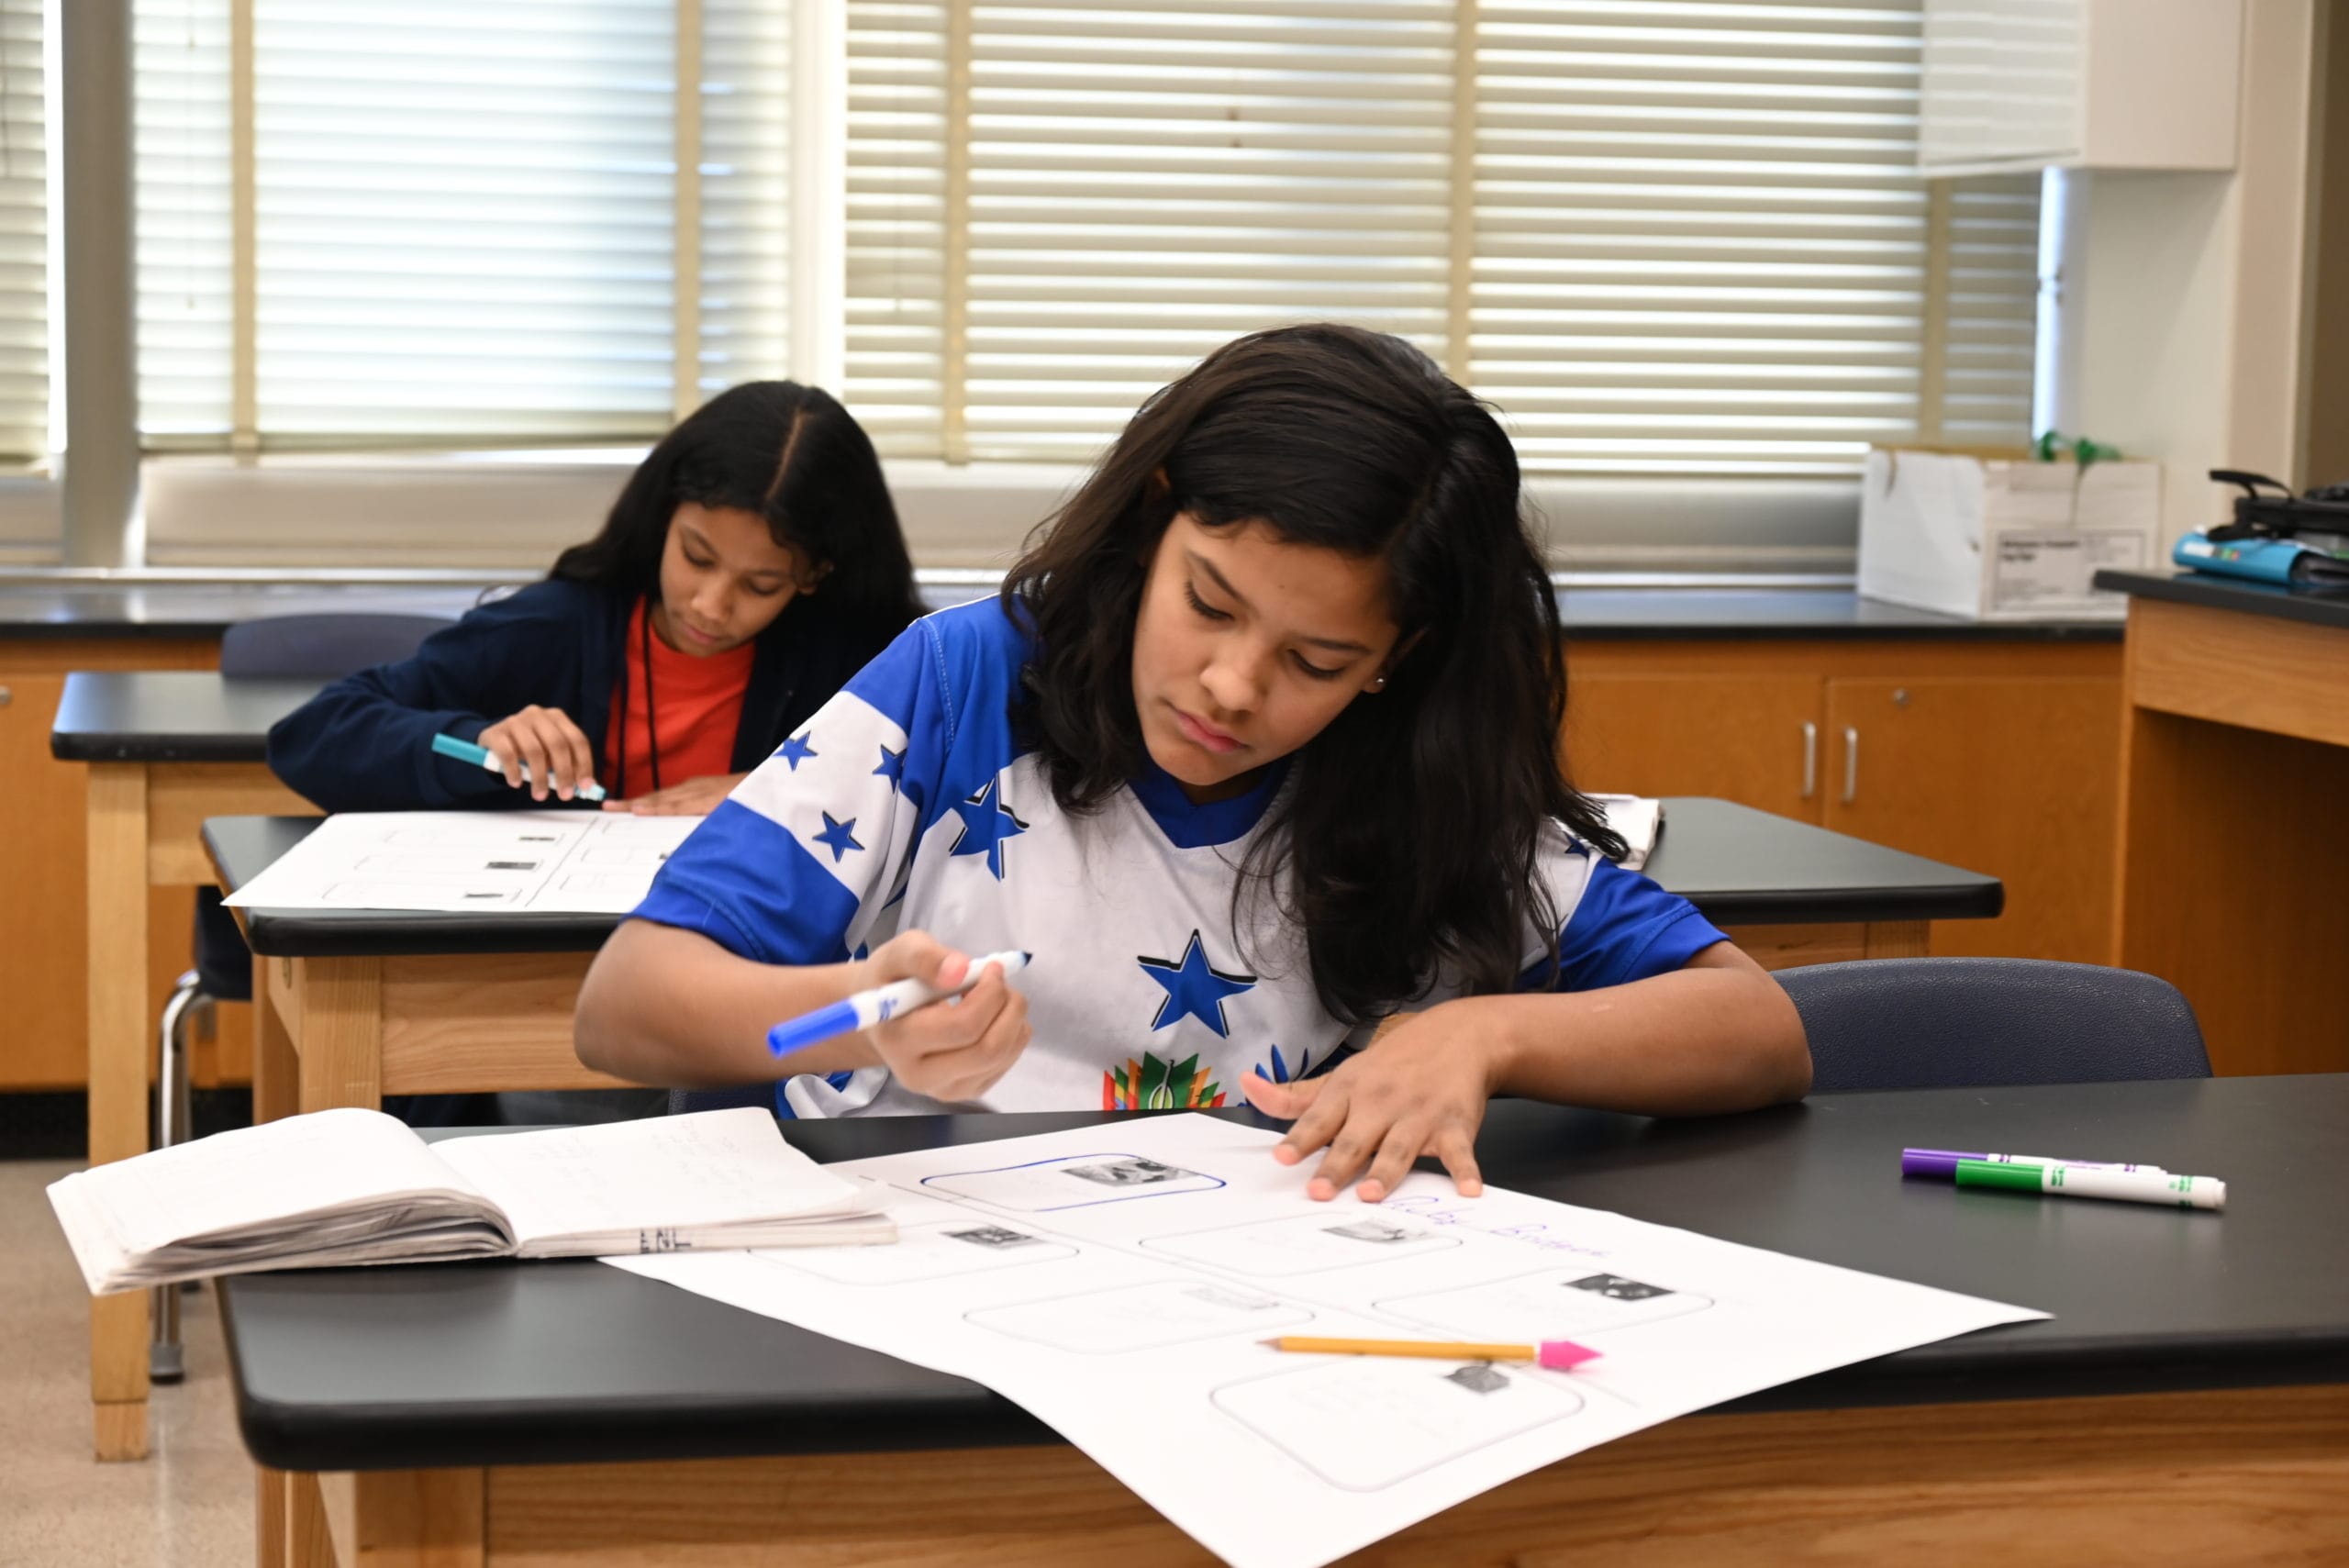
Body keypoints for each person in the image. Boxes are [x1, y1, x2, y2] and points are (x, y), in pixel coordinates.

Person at [574, 325, 1810, 1200]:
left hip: (1246, 1293)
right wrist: (857, 1024)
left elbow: (1758, 1030)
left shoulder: (1418, 772)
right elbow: (622, 1011)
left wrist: (1483, 1038)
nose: (1233, 687)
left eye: (1316, 660)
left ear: (1398, 658)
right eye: (1208, 604)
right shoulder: (962, 681)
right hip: (912, 1268)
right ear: (1151, 521)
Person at [268, 381, 924, 817]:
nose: (710, 606)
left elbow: (968, 781)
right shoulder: (551, 626)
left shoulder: (866, 663)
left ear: (817, 574)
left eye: (761, 585)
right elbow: (312, 736)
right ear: (662, 515)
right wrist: (477, 742)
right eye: (696, 557)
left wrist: (787, 788)